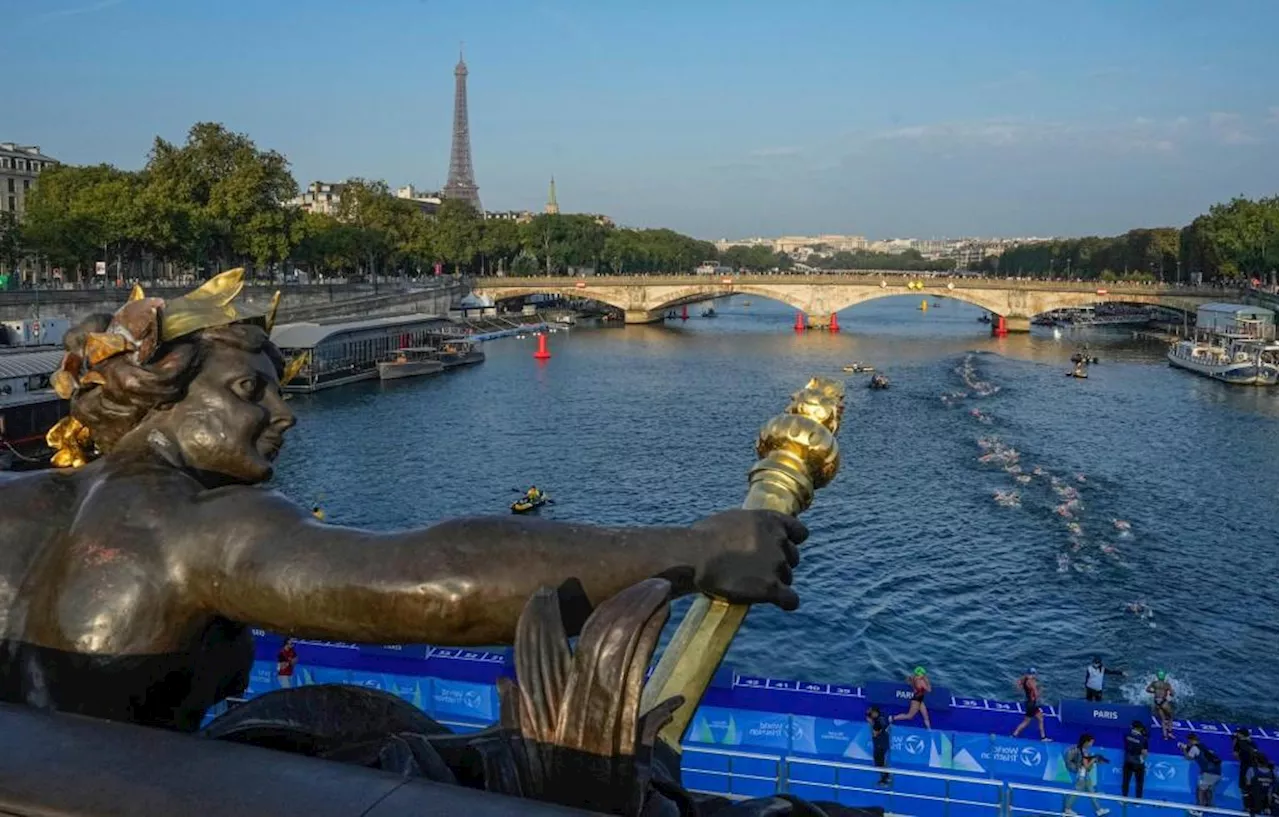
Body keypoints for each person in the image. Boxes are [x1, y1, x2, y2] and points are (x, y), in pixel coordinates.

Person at [0, 271, 808, 732]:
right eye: (251, 389)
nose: (283, 414)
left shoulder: (26, 502)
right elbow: (437, 581)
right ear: (162, 397)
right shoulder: (195, 526)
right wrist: (699, 550)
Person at [1064, 733, 1111, 817]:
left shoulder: (1079, 748)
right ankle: (1067, 809)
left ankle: (1099, 810)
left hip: (1084, 774)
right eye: (1091, 742)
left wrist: (1093, 760)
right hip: (1082, 775)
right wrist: (1093, 760)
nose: (1092, 744)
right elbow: (1086, 767)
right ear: (1086, 742)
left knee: (1091, 791)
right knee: (1076, 792)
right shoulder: (1084, 752)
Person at [1180, 733, 1222, 812]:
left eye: (1188, 741)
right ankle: (1209, 806)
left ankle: (1199, 809)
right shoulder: (1203, 746)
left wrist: (1184, 749)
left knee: (1200, 790)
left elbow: (1188, 758)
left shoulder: (1194, 748)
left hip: (1209, 772)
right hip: (1217, 771)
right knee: (1208, 789)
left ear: (1190, 740)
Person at [1012, 667, 1050, 741]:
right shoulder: (1032, 682)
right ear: (1033, 674)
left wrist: (1021, 689)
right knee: (1031, 721)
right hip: (1032, 704)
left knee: (1036, 719)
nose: (1035, 676)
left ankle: (1043, 737)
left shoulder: (1024, 679)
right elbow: (1036, 695)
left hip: (1028, 703)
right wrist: (1041, 691)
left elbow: (1018, 684)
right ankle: (1014, 734)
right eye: (1034, 674)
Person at [1122, 720, 1148, 799]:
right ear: (1140, 728)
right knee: (1139, 782)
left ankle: (1124, 799)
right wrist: (1142, 760)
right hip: (1138, 763)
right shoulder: (1143, 739)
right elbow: (1145, 753)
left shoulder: (1126, 735)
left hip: (1128, 761)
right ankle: (1138, 801)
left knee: (1126, 781)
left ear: (1132, 727)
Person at [866, 705, 891, 786]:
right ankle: (887, 777)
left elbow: (875, 734)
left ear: (875, 713)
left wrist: (871, 724)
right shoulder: (883, 718)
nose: (871, 714)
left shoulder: (876, 722)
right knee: (883, 762)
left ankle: (885, 780)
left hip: (879, 745)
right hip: (884, 743)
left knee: (880, 763)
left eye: (872, 713)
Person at [1147, 671, 1175, 739]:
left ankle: (1165, 735)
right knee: (1171, 717)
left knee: (1163, 719)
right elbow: (1172, 694)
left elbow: (1147, 690)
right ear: (1164, 677)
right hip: (1163, 702)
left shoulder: (1154, 683)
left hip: (1156, 702)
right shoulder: (1167, 684)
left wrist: (1154, 691)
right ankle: (1170, 733)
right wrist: (1171, 693)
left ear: (1157, 676)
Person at [1237, 728, 1261, 800]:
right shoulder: (1252, 743)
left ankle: (1247, 802)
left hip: (1246, 766)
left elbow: (1236, 754)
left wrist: (1241, 760)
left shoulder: (1240, 743)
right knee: (1249, 784)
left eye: (1238, 733)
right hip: (1252, 766)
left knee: (1244, 784)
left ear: (1241, 734)